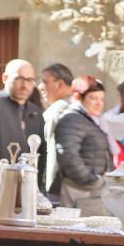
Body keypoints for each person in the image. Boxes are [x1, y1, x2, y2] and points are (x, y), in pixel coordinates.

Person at [0, 59, 46, 207]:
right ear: (5, 78)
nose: (25, 84)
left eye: (29, 80)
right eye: (19, 78)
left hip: (23, 189)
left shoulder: (36, 113)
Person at [53, 76, 116, 216]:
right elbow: (68, 155)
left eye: (101, 99)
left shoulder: (93, 121)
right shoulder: (72, 119)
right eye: (93, 98)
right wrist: (93, 181)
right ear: (79, 98)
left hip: (93, 193)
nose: (99, 103)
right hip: (81, 192)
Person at [40, 63, 74, 200]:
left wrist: (49, 188)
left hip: (57, 188)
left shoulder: (57, 111)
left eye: (44, 82)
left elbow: (52, 151)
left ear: (59, 84)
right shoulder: (78, 107)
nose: (40, 87)